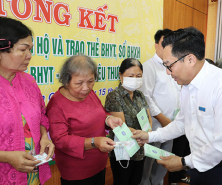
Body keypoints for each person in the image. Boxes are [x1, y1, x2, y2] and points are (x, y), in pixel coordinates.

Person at [132, 27, 222, 185]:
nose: (168, 72)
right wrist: (150, 136)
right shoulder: (187, 86)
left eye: (169, 65)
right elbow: (182, 123)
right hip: (199, 164)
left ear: (190, 59)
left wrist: (182, 162)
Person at [46, 54, 123, 185]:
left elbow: (100, 112)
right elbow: (60, 140)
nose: (86, 88)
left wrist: (108, 119)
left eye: (91, 81)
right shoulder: (57, 104)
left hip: (99, 163)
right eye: (79, 83)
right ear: (66, 80)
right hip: (76, 171)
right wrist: (94, 142)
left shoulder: (89, 94)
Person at [0, 17, 54, 185]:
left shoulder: (29, 81)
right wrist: (7, 157)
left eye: (30, 49)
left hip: (33, 174)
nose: (29, 56)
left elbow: (40, 118)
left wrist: (44, 138)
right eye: (23, 49)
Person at [139, 29, 190, 185]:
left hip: (172, 124)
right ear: (156, 46)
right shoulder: (149, 66)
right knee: (148, 162)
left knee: (164, 160)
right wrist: (162, 119)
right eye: (164, 44)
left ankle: (158, 182)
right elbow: (145, 96)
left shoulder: (173, 66)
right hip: (155, 125)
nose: (169, 47)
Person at [104, 58, 152, 185]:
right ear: (121, 75)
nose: (135, 79)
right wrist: (143, 136)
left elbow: (148, 118)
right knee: (122, 181)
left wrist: (148, 133)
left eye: (138, 76)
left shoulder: (140, 95)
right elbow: (121, 127)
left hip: (140, 148)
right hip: (123, 151)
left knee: (136, 181)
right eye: (131, 76)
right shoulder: (114, 97)